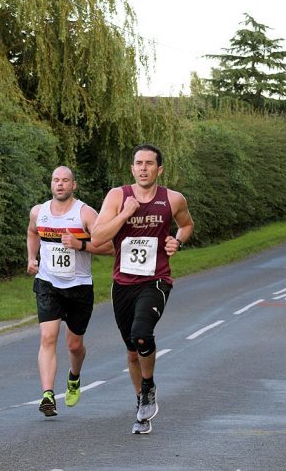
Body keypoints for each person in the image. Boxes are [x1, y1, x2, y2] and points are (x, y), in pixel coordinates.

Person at [90, 144, 194, 435]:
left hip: (156, 279)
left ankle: (148, 386)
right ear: (132, 168)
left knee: (141, 334)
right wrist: (125, 214)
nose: (144, 168)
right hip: (123, 283)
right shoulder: (117, 196)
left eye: (150, 163)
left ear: (159, 169)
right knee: (132, 351)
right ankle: (141, 404)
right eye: (139, 163)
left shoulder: (172, 199)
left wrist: (178, 240)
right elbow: (97, 237)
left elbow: (186, 225)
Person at [27, 166, 113, 417]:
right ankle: (47, 395)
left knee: (74, 345)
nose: (60, 184)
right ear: (51, 184)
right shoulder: (38, 212)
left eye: (65, 181)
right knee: (47, 338)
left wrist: (80, 244)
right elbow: (32, 232)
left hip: (79, 287)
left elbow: (109, 246)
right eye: (56, 180)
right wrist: (32, 257)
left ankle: (74, 377)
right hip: (48, 283)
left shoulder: (85, 213)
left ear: (74, 185)